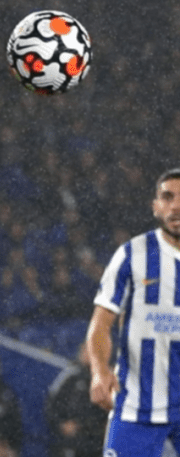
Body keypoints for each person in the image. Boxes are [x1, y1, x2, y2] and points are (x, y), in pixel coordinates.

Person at [87, 167, 180, 456]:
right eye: (167, 197)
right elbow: (100, 325)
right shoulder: (132, 254)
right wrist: (100, 372)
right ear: (155, 207)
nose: (176, 205)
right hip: (136, 407)